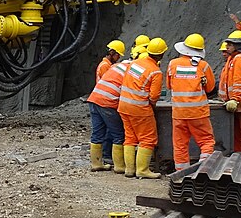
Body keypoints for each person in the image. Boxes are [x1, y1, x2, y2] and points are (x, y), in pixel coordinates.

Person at [118, 37, 166, 179]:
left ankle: (129, 170)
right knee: (147, 139)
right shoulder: (155, 71)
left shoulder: (135, 63)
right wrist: (151, 104)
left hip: (123, 105)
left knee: (130, 138)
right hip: (139, 108)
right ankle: (142, 170)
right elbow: (154, 96)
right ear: (161, 54)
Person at [168, 33, 216, 170]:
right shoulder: (203, 66)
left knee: (180, 145)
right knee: (206, 141)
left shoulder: (172, 64)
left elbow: (170, 85)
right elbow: (210, 88)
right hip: (198, 113)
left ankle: (181, 175)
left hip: (178, 113)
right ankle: (203, 170)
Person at [87, 40, 127, 173]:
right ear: (112, 53)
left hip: (95, 99)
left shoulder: (110, 65)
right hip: (105, 102)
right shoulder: (106, 66)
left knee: (98, 133)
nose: (118, 58)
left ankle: (96, 163)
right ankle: (119, 166)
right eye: (117, 55)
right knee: (118, 133)